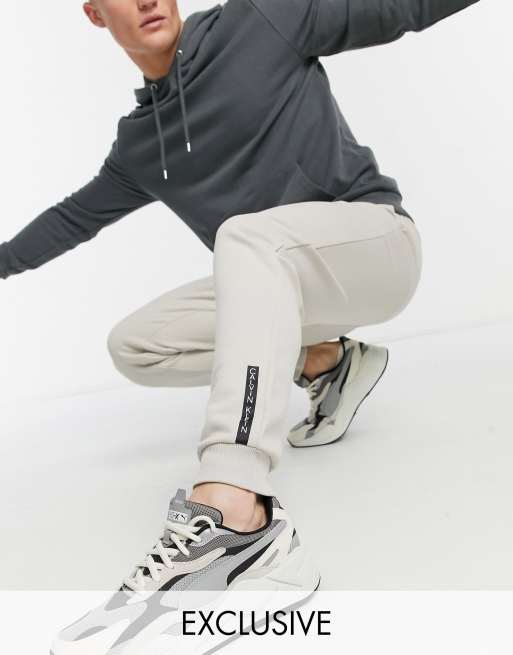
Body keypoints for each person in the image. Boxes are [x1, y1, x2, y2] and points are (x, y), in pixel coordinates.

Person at [1, 0, 479, 652]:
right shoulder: (141, 147)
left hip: (376, 247)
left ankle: (239, 513)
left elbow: (402, 8)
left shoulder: (260, 21)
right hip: (289, 285)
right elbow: (70, 219)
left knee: (244, 238)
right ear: (94, 14)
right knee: (137, 345)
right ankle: (327, 361)